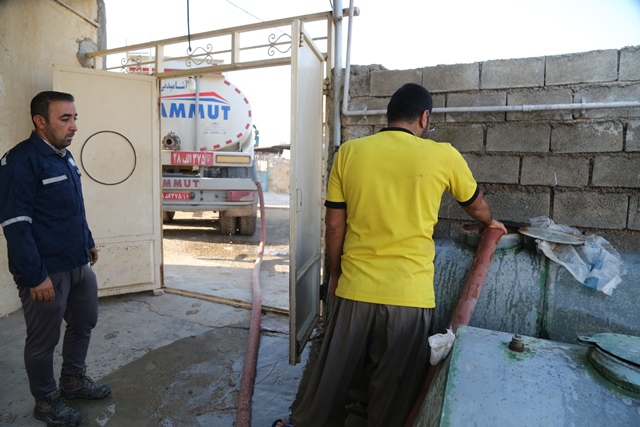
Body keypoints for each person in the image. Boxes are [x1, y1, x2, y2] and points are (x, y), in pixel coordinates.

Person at [273, 83, 507, 427]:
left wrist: (336, 274)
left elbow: (334, 226)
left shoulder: (350, 153)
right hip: (409, 297)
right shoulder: (443, 155)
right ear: (424, 118)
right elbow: (475, 204)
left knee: (331, 379)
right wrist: (490, 222)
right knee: (393, 394)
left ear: (389, 115)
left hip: (355, 289)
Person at [0, 91, 111, 426]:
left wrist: (87, 241)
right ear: (40, 121)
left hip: (76, 262)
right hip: (46, 270)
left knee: (84, 321)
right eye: (65, 118)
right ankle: (46, 401)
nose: (73, 126)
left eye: (74, 118)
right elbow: (15, 224)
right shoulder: (21, 160)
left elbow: (74, 205)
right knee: (43, 341)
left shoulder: (64, 155)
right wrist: (35, 276)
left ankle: (73, 381)